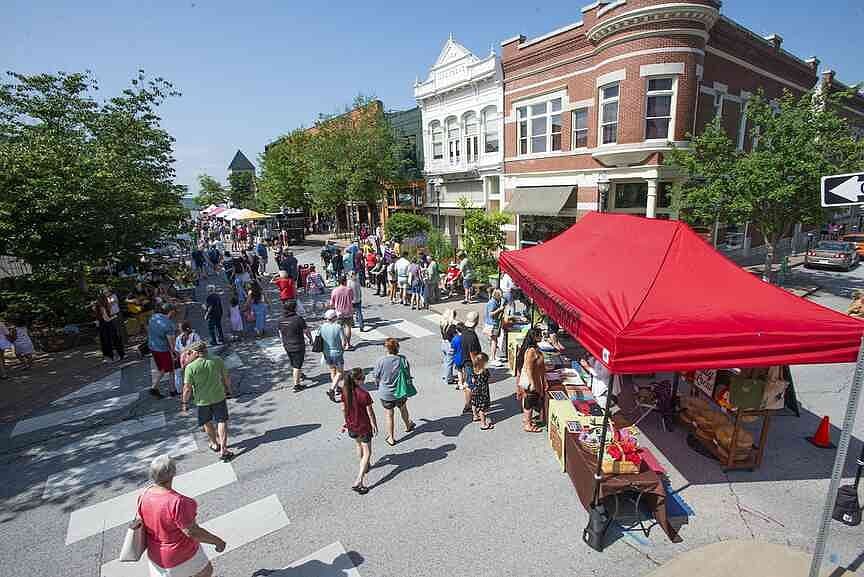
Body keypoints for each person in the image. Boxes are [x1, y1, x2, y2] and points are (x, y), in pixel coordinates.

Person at [138, 454, 226, 577]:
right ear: (173, 473)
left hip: (155, 555)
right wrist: (218, 541)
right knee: (206, 572)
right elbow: (192, 532)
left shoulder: (144, 494)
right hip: (180, 555)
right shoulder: (178, 502)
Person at [182, 341, 234, 461]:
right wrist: (229, 390)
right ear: (206, 349)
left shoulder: (190, 367)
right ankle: (224, 449)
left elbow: (187, 388)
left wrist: (184, 403)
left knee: (207, 422)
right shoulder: (217, 360)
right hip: (219, 397)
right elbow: (226, 378)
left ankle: (214, 443)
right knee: (222, 421)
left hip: (202, 401)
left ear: (195, 352)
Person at [339, 368, 378, 495]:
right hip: (363, 426)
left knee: (358, 444)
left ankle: (365, 466)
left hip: (352, 425)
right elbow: (370, 412)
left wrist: (346, 422)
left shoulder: (345, 392)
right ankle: (359, 481)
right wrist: (374, 424)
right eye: (362, 378)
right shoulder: (364, 394)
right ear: (356, 380)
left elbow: (343, 409)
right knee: (368, 452)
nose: (364, 380)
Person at [372, 338, 416, 446]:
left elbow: (376, 376)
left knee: (389, 414)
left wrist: (378, 384)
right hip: (400, 391)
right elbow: (407, 374)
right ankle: (408, 425)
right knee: (403, 408)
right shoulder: (403, 359)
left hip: (386, 393)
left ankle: (391, 438)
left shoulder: (381, 361)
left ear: (386, 348)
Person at [515, 328, 546, 433]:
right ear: (535, 337)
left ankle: (527, 420)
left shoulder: (535, 349)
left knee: (531, 400)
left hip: (536, 380)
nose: (541, 337)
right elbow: (528, 368)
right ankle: (528, 424)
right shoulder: (531, 351)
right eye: (540, 335)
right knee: (530, 401)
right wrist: (532, 383)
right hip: (532, 381)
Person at [278, 301, 312, 392]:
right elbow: (306, 331)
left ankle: (299, 374)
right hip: (298, 345)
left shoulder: (281, 320)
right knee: (297, 365)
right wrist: (310, 339)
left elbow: (280, 333)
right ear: (294, 308)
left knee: (293, 361)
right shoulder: (298, 319)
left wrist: (283, 342)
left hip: (287, 345)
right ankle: (296, 385)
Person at [148, 303, 177, 398]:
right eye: (174, 312)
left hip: (152, 347)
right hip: (162, 349)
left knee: (162, 368)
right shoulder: (168, 324)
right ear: (171, 311)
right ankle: (172, 390)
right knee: (170, 369)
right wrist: (175, 352)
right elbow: (171, 343)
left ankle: (155, 388)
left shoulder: (153, 317)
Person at [320, 309, 347, 403]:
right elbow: (344, 342)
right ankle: (332, 389)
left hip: (327, 353)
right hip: (337, 352)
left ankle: (336, 389)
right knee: (340, 372)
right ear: (334, 318)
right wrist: (342, 350)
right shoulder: (338, 327)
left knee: (332, 370)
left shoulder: (322, 327)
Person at [460, 311, 482, 415]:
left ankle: (468, 405)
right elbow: (473, 354)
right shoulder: (472, 336)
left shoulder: (464, 332)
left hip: (465, 362)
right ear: (476, 322)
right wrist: (478, 368)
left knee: (468, 384)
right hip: (470, 363)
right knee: (471, 385)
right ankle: (469, 407)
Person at [174, 321, 201, 396]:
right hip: (193, 359)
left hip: (183, 361)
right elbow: (199, 346)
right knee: (194, 376)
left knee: (183, 376)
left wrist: (182, 358)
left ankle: (180, 391)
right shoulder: (194, 336)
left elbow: (176, 350)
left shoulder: (178, 338)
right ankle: (196, 391)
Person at [95, 292, 125, 363]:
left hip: (103, 326)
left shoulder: (100, 306)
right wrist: (115, 316)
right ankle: (117, 356)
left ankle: (110, 357)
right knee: (113, 340)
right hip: (107, 325)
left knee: (107, 341)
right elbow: (107, 319)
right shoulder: (102, 307)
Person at [330, 275, 355, 349]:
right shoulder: (349, 290)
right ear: (345, 281)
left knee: (340, 328)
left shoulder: (334, 290)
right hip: (348, 311)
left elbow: (332, 303)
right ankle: (348, 344)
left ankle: (342, 343)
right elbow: (352, 299)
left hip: (339, 313)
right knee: (348, 328)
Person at [471, 352, 493, 430]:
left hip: (475, 390)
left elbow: (473, 380)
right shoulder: (485, 371)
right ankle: (483, 424)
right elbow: (488, 380)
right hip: (482, 392)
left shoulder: (473, 370)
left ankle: (475, 416)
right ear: (483, 362)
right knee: (482, 408)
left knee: (474, 403)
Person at [484, 289, 506, 366]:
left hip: (492, 323)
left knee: (493, 340)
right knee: (494, 341)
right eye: (501, 295)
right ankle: (493, 358)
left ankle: (493, 355)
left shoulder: (493, 301)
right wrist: (499, 310)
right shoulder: (492, 303)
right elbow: (491, 314)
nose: (502, 297)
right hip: (492, 324)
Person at [439, 309, 458, 387]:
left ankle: (445, 375)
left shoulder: (442, 323)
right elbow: (454, 336)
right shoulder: (452, 326)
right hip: (449, 345)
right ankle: (448, 378)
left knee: (446, 360)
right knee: (450, 362)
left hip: (443, 343)